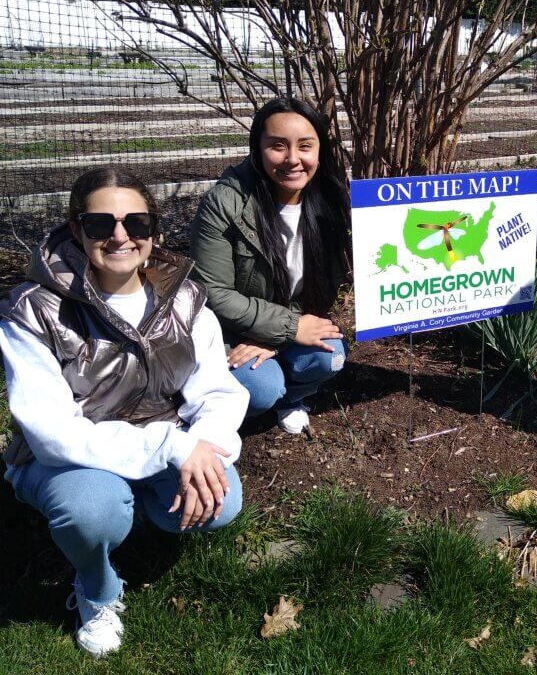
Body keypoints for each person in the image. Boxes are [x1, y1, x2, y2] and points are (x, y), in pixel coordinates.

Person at [0, 168, 247, 657]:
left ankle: (127, 514)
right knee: (92, 509)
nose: (120, 236)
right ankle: (97, 586)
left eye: (136, 222)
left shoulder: (185, 296)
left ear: (153, 231)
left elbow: (216, 389)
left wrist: (206, 445)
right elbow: (53, 434)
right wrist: (175, 447)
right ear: (76, 230)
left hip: (157, 439)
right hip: (65, 461)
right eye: (100, 224)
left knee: (225, 499)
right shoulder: (33, 311)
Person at [189, 97, 350, 435]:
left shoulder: (330, 202)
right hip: (233, 333)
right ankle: (219, 410)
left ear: (319, 150)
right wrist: (289, 329)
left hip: (289, 323)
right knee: (261, 388)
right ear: (258, 148)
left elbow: (331, 279)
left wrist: (279, 337)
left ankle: (293, 396)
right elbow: (214, 294)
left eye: (305, 146)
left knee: (331, 355)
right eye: (278, 146)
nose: (293, 159)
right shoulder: (225, 203)